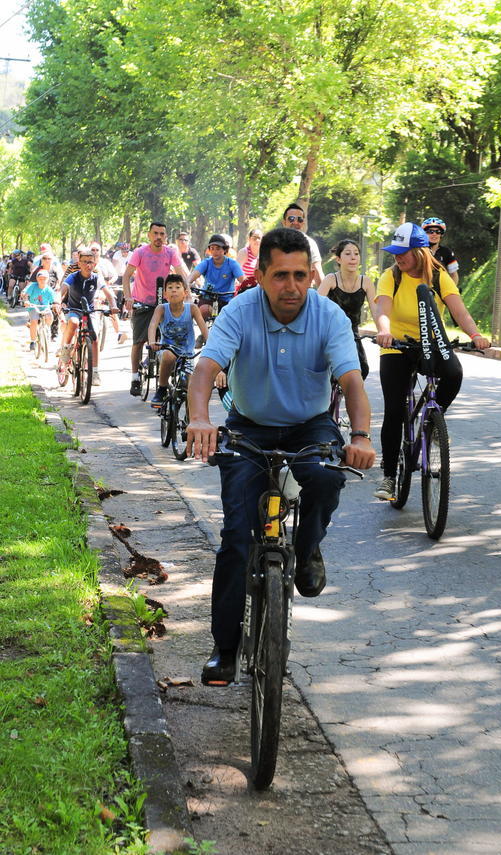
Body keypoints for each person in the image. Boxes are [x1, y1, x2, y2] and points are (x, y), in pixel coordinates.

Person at [186, 227, 376, 685]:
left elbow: (351, 382)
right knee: (235, 539)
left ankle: (308, 548)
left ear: (312, 275)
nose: (290, 287)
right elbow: (206, 368)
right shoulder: (240, 312)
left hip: (310, 426)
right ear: (262, 276)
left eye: (299, 275)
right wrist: (199, 419)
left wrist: (364, 437)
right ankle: (225, 650)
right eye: (279, 276)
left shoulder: (329, 316)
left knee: (328, 477)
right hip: (249, 427)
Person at [374, 222, 490, 500]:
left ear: (420, 252)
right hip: (397, 344)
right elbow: (383, 309)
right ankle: (389, 476)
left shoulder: (438, 276)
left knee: (454, 373)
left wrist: (475, 334)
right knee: (393, 409)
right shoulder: (391, 276)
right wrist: (384, 331)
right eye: (395, 253)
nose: (398, 258)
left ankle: (431, 421)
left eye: (404, 253)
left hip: (432, 340)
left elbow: (458, 310)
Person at [122, 222, 187, 397]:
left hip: (165, 302)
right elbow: (127, 275)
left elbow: (181, 273)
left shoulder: (170, 252)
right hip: (143, 302)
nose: (159, 237)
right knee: (139, 341)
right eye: (155, 233)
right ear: (149, 235)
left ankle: (168, 374)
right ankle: (135, 377)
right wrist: (128, 297)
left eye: (162, 234)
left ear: (166, 237)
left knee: (172, 338)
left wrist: (186, 293)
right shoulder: (140, 252)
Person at [318, 238, 377, 379]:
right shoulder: (331, 279)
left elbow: (376, 310)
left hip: (353, 333)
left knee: (361, 369)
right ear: (338, 259)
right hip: (330, 333)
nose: (353, 257)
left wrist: (384, 331)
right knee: (325, 374)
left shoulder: (366, 282)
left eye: (356, 254)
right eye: (348, 254)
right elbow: (316, 307)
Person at [147, 274, 208, 407]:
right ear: (165, 293)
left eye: (177, 287)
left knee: (189, 388)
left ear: (185, 293)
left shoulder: (192, 309)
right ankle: (162, 388)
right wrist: (152, 342)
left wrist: (211, 344)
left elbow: (204, 330)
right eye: (170, 287)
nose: (173, 290)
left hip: (187, 353)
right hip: (166, 349)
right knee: (168, 355)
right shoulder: (161, 309)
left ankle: (189, 421)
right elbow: (152, 326)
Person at [59, 251, 119, 385]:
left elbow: (108, 294)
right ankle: (66, 348)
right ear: (79, 263)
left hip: (90, 311)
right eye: (84, 262)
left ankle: (95, 372)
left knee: (95, 338)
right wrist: (58, 301)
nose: (87, 265)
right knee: (73, 323)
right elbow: (63, 289)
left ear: (95, 264)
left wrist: (113, 306)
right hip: (74, 309)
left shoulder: (97, 278)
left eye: (90, 262)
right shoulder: (73, 277)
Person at [188, 234, 243, 320]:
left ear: (225, 250)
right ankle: (205, 332)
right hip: (207, 299)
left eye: (218, 248)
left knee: (230, 319)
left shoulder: (232, 264)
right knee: (204, 310)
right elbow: (193, 275)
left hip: (226, 301)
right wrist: (188, 283)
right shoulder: (206, 262)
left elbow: (243, 280)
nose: (214, 251)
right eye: (212, 248)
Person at [282, 203, 324, 283]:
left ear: (303, 223)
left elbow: (317, 272)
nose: (295, 222)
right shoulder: (273, 242)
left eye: (300, 219)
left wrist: (326, 295)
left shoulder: (310, 243)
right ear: (284, 222)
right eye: (291, 218)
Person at [30, 252, 64, 340]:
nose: (47, 260)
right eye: (45, 258)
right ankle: (35, 331)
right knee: (36, 310)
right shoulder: (38, 270)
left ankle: (54, 333)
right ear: (42, 260)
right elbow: (31, 283)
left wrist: (58, 286)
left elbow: (60, 281)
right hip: (40, 293)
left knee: (55, 310)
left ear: (52, 260)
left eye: (49, 259)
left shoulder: (55, 269)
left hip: (52, 292)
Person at [22, 270, 57, 351]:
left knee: (50, 316)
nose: (42, 280)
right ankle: (33, 341)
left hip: (45, 307)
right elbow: (26, 295)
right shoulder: (33, 286)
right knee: (34, 321)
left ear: (47, 279)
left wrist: (55, 304)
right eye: (40, 278)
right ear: (37, 279)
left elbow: (54, 300)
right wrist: (26, 301)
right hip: (33, 307)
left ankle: (46, 330)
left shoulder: (49, 289)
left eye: (44, 278)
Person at [421, 217, 459, 286]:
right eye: (430, 231)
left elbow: (454, 275)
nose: (434, 234)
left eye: (438, 232)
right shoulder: (419, 251)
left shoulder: (447, 252)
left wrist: (452, 291)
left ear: (441, 235)